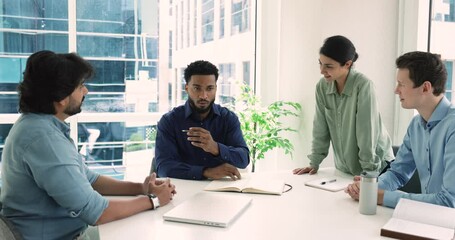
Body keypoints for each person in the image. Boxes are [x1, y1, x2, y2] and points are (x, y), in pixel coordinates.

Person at [0, 50, 176, 240]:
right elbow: (97, 212)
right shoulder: (43, 138)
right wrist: (154, 200)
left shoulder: (39, 125)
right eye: (80, 86)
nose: (86, 91)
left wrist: (141, 188)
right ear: (60, 98)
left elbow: (89, 179)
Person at [346, 51, 455, 208]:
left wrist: (382, 197)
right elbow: (398, 173)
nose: (396, 90)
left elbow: (449, 201)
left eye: (402, 84)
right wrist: (369, 188)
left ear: (425, 88)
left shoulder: (452, 127)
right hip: (426, 219)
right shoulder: (416, 125)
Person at [293, 35, 394, 176]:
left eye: (328, 66)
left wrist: (369, 172)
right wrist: (314, 162)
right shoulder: (322, 86)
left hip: (376, 168)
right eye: (320, 63)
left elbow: (367, 132)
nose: (322, 70)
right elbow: (320, 127)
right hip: (346, 168)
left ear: (347, 64)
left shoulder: (363, 85)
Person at [155, 60, 250, 180]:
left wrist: (215, 148)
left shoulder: (228, 119)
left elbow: (243, 159)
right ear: (187, 88)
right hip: (181, 191)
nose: (203, 95)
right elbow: (164, 167)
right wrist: (206, 172)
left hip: (220, 191)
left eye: (209, 88)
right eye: (197, 88)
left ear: (216, 89)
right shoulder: (169, 121)